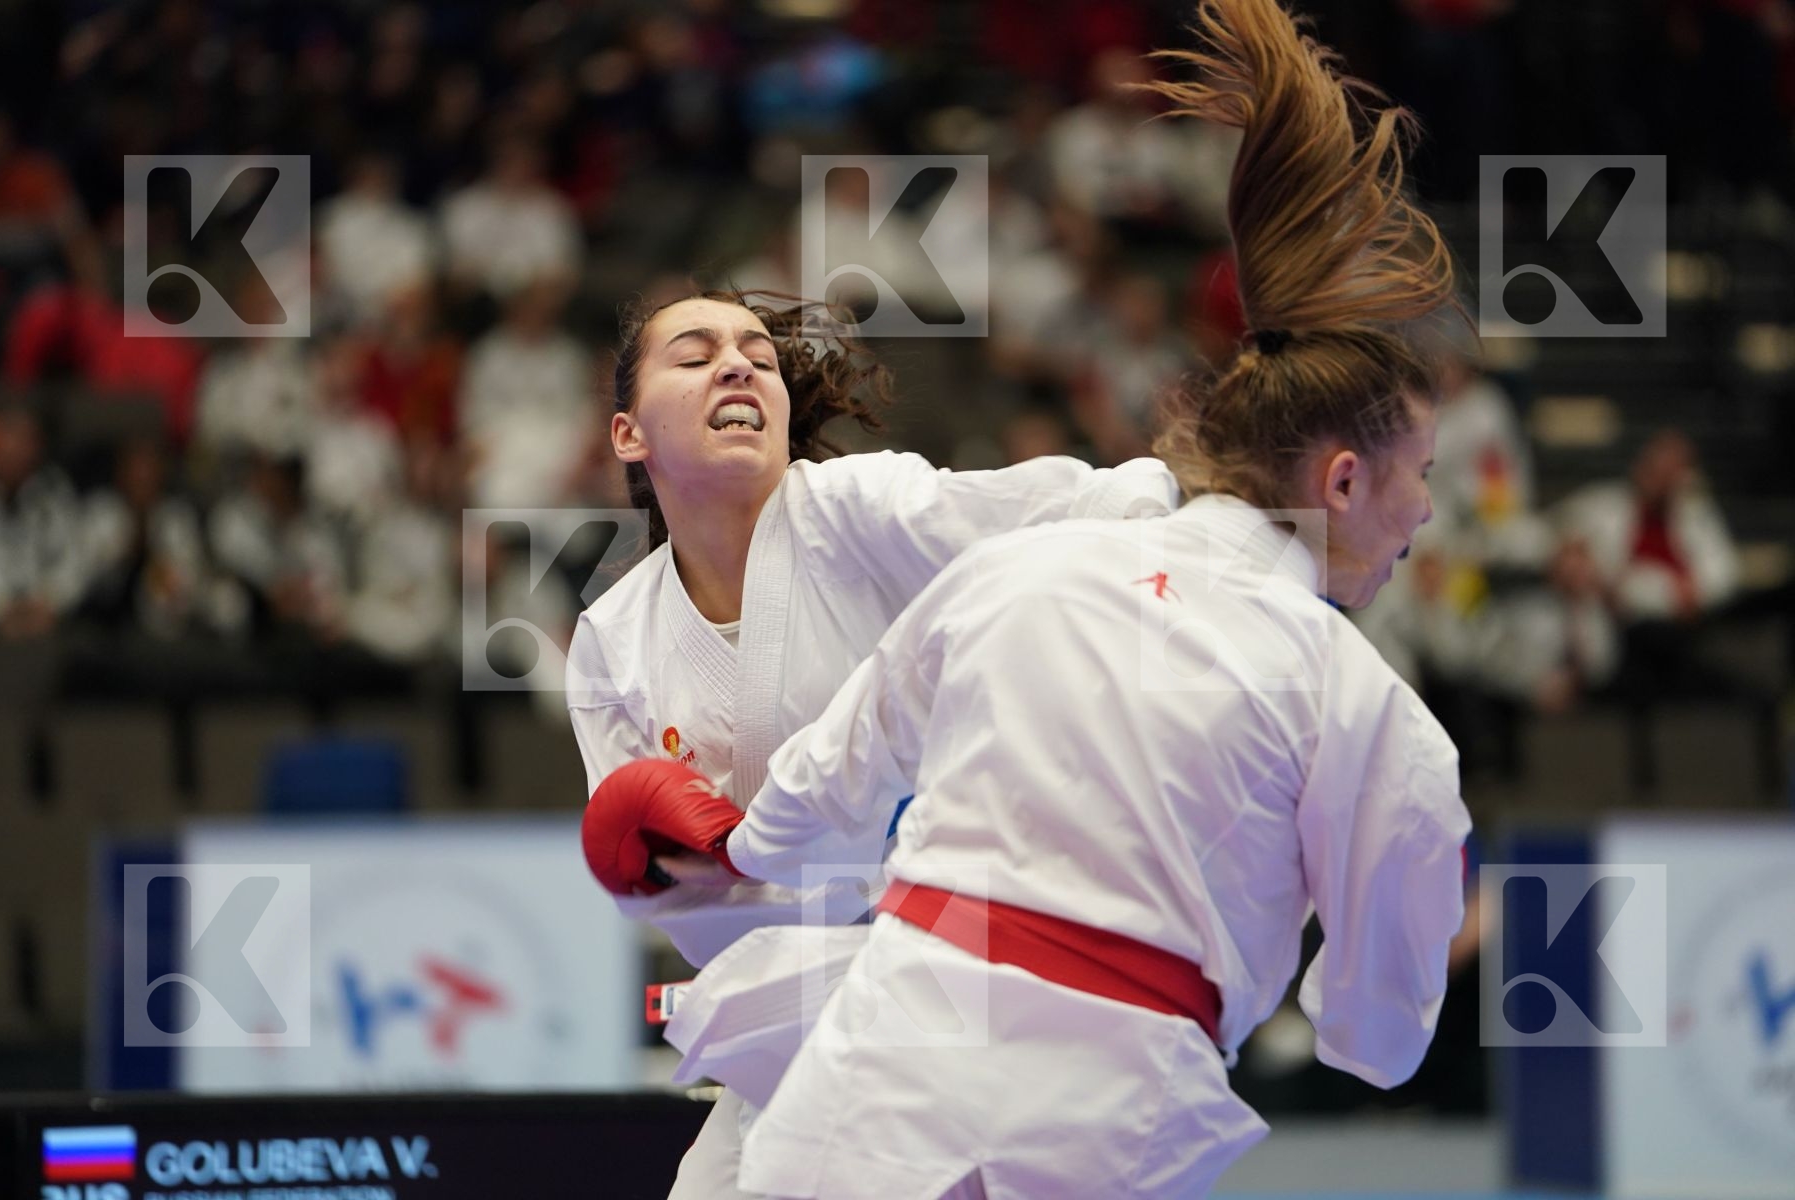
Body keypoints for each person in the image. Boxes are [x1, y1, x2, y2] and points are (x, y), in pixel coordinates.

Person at [584, 0, 1473, 1194]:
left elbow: (1086, 523)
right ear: (1344, 477)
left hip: (900, 1015)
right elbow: (1377, 1038)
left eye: (755, 351)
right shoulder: (1365, 706)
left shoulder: (974, 550)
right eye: (1420, 480)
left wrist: (750, 840)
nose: (1426, 515)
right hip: (1032, 1063)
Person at [568, 287, 1179, 1198]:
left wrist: (1205, 524)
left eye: (758, 357)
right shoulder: (613, 641)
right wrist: (694, 870)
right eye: (695, 356)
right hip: (801, 1010)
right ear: (629, 435)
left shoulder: (858, 511)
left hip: (965, 974)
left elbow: (1083, 510)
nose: (738, 363)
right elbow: (660, 897)